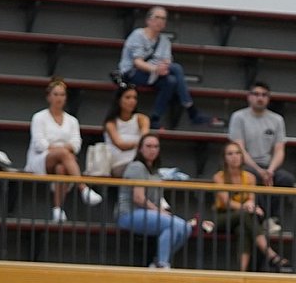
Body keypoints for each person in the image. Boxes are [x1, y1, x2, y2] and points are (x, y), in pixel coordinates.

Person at [117, 7, 222, 130]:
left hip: (154, 74)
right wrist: (156, 69)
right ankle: (191, 110)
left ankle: (155, 118)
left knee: (171, 81)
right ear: (148, 20)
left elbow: (167, 62)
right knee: (176, 68)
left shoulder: (165, 41)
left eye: (163, 18)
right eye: (157, 17)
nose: (160, 21)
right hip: (133, 73)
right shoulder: (138, 35)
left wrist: (163, 68)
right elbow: (138, 62)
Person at [26, 78, 103, 223]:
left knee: (61, 168)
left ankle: (58, 209)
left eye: (62, 95)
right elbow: (40, 144)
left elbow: (76, 144)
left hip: (64, 160)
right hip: (40, 159)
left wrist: (62, 150)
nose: (59, 98)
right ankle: (83, 188)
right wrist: (62, 150)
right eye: (55, 94)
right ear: (49, 97)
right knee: (64, 154)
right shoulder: (39, 117)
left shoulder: (72, 121)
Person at [213, 140, 293, 273]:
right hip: (223, 216)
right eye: (230, 154)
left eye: (237, 153)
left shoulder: (249, 177)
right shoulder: (219, 177)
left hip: (243, 218)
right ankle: (270, 254)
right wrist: (245, 207)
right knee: (246, 215)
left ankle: (242, 272)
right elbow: (226, 202)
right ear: (224, 158)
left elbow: (251, 199)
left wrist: (251, 205)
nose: (234, 157)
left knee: (242, 230)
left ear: (242, 156)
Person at [115, 133, 192, 269]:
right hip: (129, 213)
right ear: (140, 149)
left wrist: (162, 210)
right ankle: (162, 263)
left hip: (148, 212)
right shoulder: (137, 166)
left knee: (186, 228)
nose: (153, 150)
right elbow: (138, 198)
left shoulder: (156, 172)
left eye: (156, 146)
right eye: (149, 146)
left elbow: (157, 198)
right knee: (173, 225)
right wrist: (159, 211)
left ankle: (158, 261)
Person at [227, 81, 296, 189]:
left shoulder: (277, 120)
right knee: (251, 177)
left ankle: (274, 201)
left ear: (268, 98)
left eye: (264, 95)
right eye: (256, 94)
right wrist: (258, 170)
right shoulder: (238, 117)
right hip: (245, 165)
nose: (260, 98)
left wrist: (270, 171)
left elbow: (279, 150)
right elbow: (239, 149)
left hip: (268, 166)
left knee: (286, 179)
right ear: (249, 97)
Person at [102, 86, 152, 178]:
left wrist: (138, 144)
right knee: (137, 168)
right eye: (128, 97)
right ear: (119, 100)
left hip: (139, 162)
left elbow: (145, 140)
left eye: (134, 98)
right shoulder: (111, 123)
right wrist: (138, 144)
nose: (132, 101)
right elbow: (121, 145)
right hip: (119, 164)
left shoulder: (142, 119)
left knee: (141, 167)